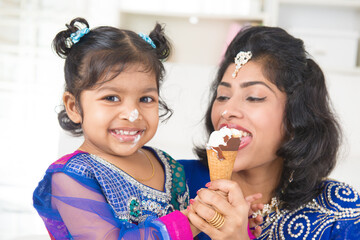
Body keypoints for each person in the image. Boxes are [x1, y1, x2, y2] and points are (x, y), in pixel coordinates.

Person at [179, 25, 360, 239]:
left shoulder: (338, 210)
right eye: (223, 96)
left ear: (296, 116)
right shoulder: (174, 181)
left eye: (254, 97)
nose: (227, 111)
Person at [32, 17, 194, 240]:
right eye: (111, 97)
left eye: (146, 99)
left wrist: (228, 221)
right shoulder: (71, 176)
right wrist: (190, 222)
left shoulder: (167, 164)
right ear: (74, 106)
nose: (131, 114)